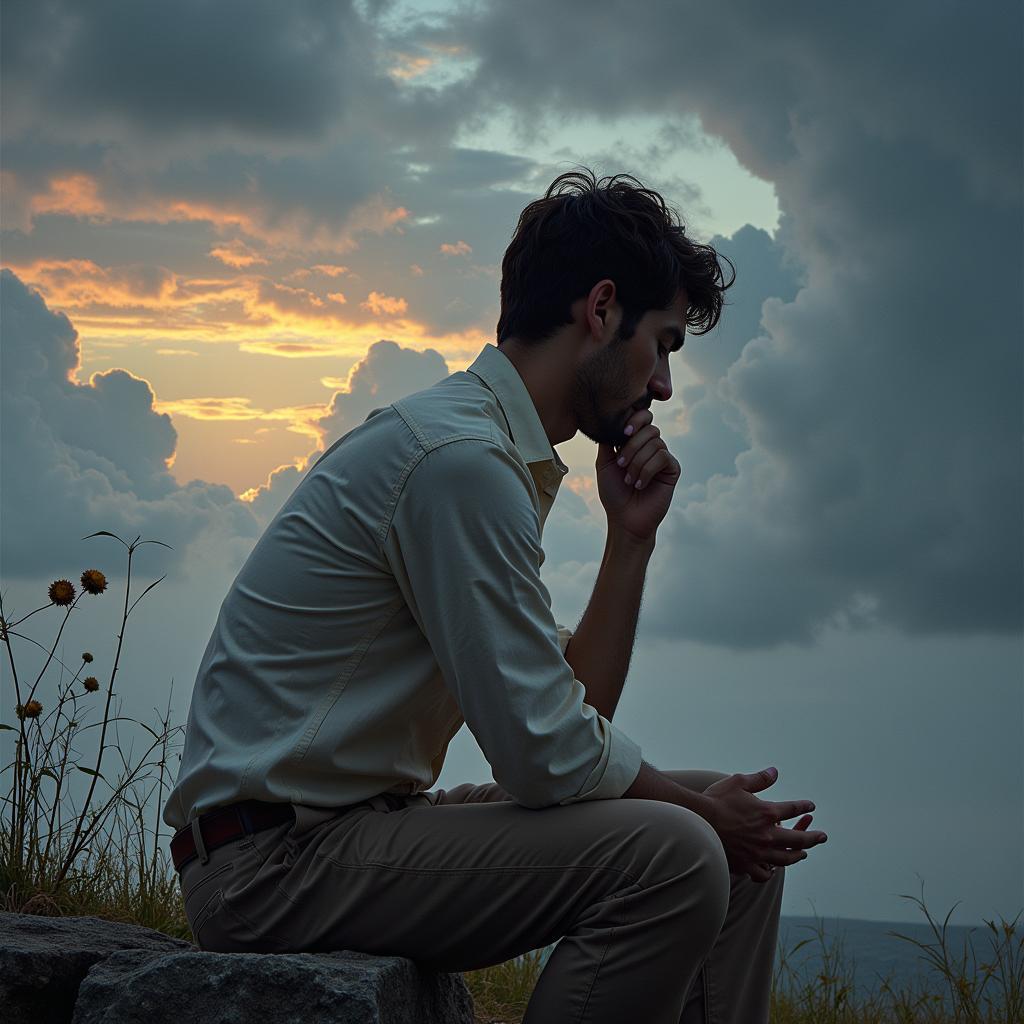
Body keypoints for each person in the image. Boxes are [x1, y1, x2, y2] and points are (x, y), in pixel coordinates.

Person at [163, 167, 827, 1023]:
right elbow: (546, 758)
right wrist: (703, 816)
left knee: (734, 848)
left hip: (344, 832)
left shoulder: (481, 452)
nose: (663, 384)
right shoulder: (460, 464)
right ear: (600, 309)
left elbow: (568, 715)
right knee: (685, 848)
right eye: (662, 343)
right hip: (274, 866)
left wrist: (631, 541)